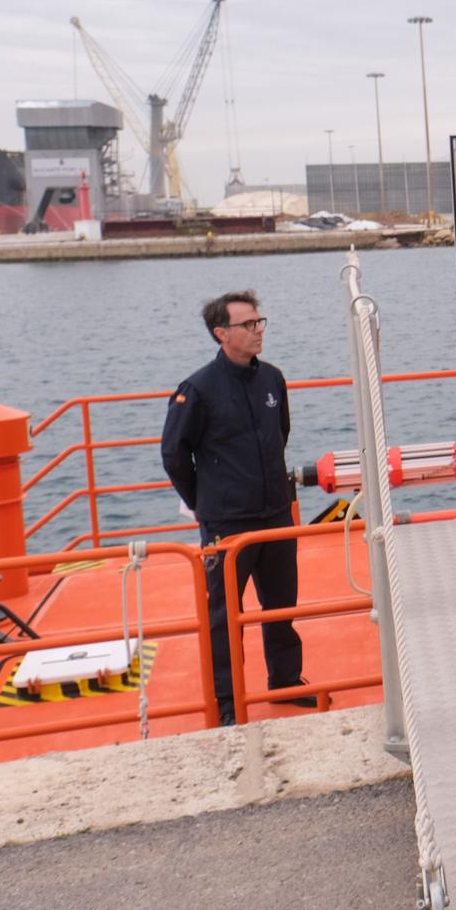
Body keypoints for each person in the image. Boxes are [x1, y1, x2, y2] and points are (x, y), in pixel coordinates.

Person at [160, 289, 316, 728]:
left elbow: (279, 433)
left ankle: (285, 679)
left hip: (274, 513)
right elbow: (175, 453)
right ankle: (227, 701)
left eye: (260, 322)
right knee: (224, 614)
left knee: (281, 603)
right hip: (227, 522)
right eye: (248, 325)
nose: (258, 331)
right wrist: (204, 504)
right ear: (221, 333)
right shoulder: (198, 390)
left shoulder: (272, 379)